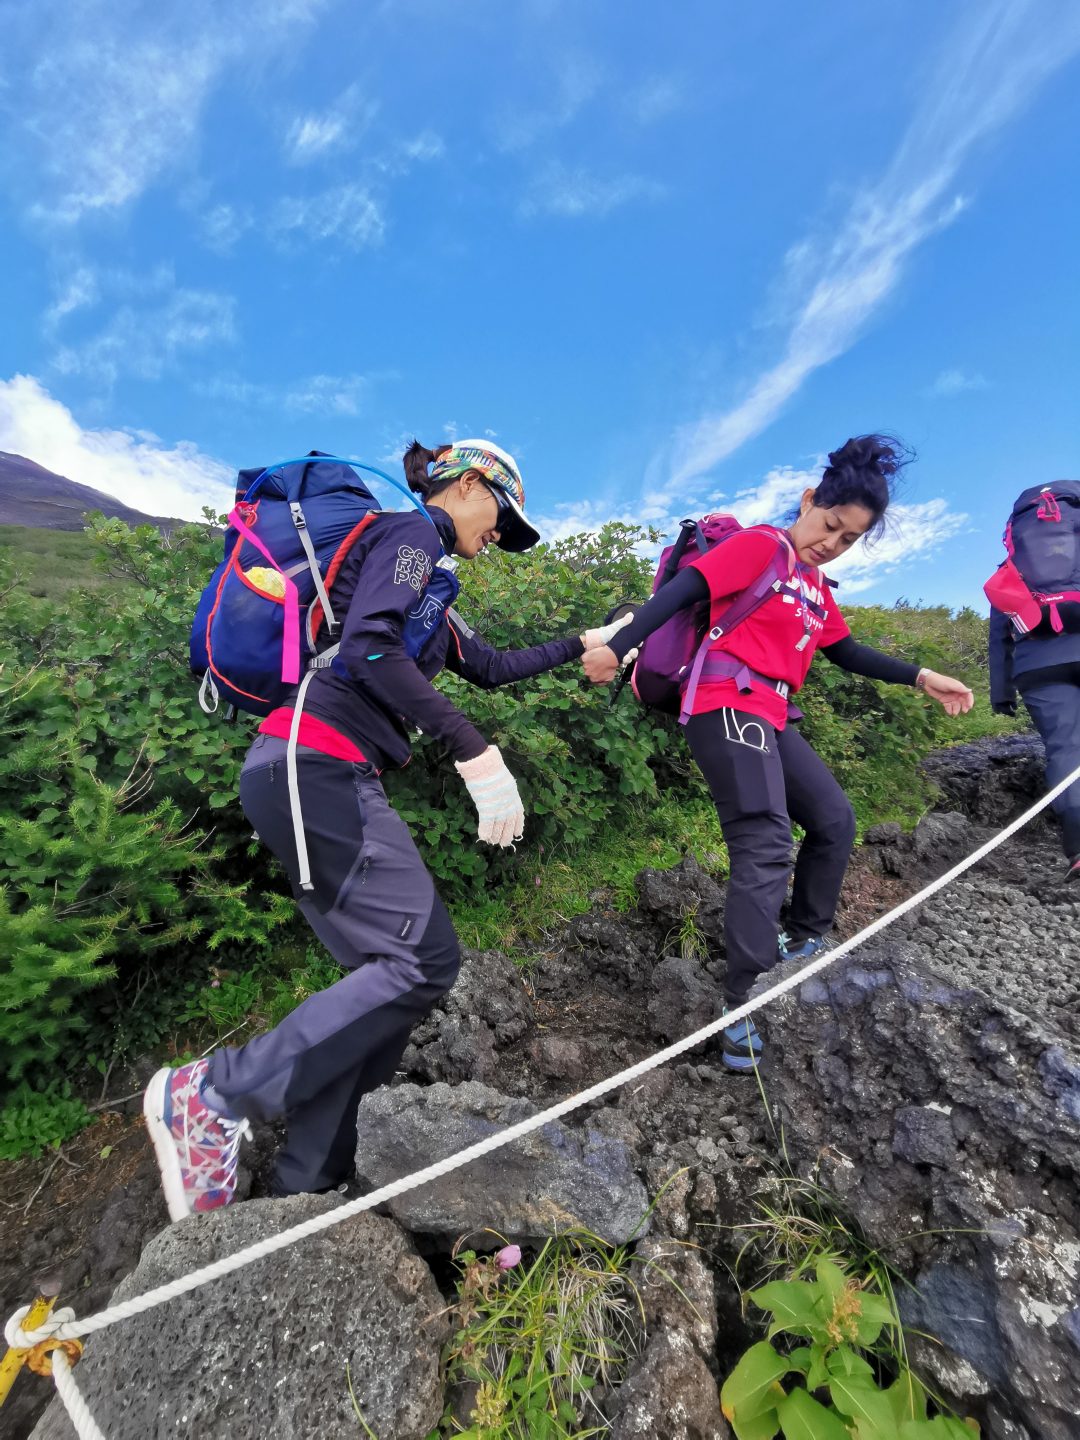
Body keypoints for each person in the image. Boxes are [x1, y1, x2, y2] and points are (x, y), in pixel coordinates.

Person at [145, 438, 628, 1220]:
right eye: (503, 516)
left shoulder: (432, 589)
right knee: (421, 960)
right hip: (313, 762)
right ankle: (213, 1095)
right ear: (469, 486)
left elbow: (495, 665)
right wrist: (474, 753)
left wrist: (586, 642)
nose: (500, 536)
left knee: (386, 984)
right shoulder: (411, 537)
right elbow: (368, 647)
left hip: (317, 772)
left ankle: (307, 1182)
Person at [583, 436, 974, 1072]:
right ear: (810, 500)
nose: (831, 542)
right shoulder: (763, 547)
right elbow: (683, 591)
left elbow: (845, 652)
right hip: (722, 703)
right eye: (830, 524)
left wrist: (921, 675)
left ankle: (801, 944)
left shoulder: (816, 586)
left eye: (849, 539)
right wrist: (620, 644)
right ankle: (743, 1004)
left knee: (833, 820)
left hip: (772, 712)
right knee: (765, 842)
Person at [988, 489, 1080, 882]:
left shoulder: (1012, 567)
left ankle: (1078, 849)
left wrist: (1002, 692)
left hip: (1037, 665)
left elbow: (999, 636)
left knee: (1065, 748)